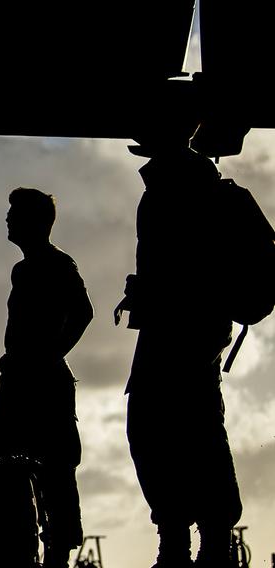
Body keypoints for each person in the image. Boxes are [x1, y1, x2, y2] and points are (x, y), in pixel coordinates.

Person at [116, 129, 242, 568]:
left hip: (181, 332)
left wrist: (155, 293)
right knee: (178, 432)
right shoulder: (182, 185)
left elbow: (187, 269)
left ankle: (198, 544)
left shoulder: (178, 189)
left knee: (179, 433)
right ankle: (193, 542)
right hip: (180, 330)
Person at [0, 187, 93, 568]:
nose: (8, 221)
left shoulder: (57, 264)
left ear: (35, 222)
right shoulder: (25, 268)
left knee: (56, 472)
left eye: (16, 214)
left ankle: (57, 557)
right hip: (16, 380)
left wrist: (49, 354)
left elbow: (83, 312)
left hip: (43, 383)